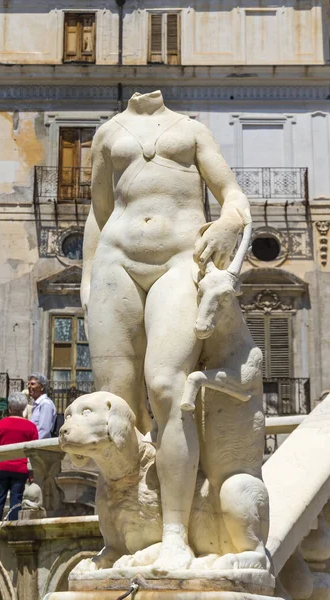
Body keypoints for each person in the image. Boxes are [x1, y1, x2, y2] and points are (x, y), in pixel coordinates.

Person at [80, 90, 251, 570]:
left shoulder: (192, 129)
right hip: (117, 260)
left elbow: (233, 194)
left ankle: (175, 533)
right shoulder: (108, 132)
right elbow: (98, 212)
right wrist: (88, 275)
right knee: (114, 400)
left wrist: (229, 222)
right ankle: (123, 534)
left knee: (166, 386)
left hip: (180, 257)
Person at [0, 391, 38, 521]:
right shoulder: (31, 427)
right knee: (16, 500)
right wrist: (32, 471)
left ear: (10, 408)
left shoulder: (1, 424)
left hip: (1, 466)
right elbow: (34, 452)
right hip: (20, 468)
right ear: (24, 408)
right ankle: (13, 530)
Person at [28, 373, 56, 439]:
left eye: (32, 384)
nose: (29, 386)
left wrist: (31, 444)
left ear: (42, 387)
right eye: (28, 384)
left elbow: (44, 430)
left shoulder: (45, 404)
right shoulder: (38, 404)